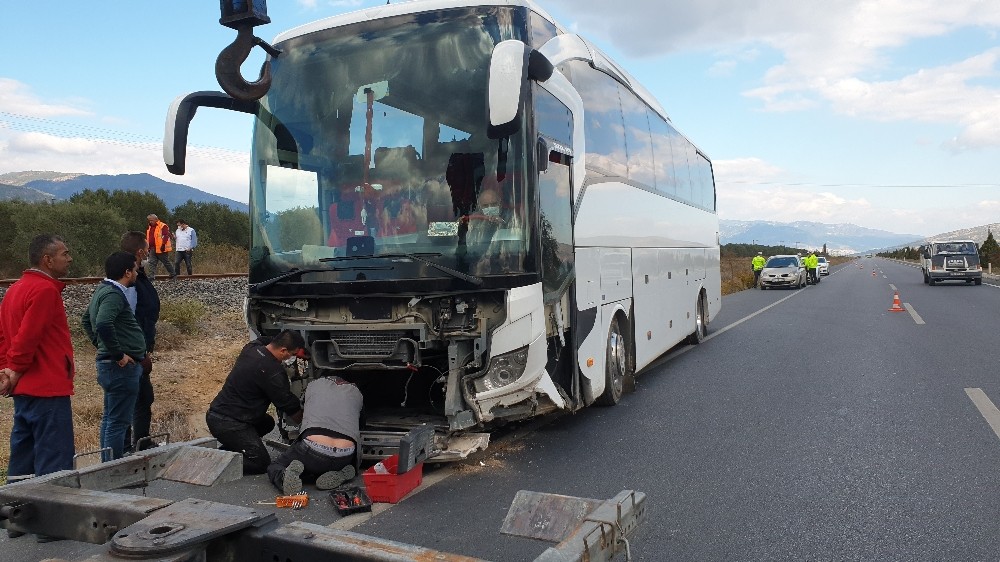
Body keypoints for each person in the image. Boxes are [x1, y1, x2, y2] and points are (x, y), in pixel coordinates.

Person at [0, 234, 76, 482]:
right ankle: (55, 516)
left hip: (24, 390)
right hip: (47, 388)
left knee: (23, 460)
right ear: (47, 260)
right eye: (64, 254)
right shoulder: (44, 290)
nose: (69, 258)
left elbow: (4, 336)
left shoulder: (14, 289)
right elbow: (27, 337)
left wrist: (5, 372)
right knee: (55, 464)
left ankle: (15, 513)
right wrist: (15, 369)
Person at [206, 330, 305, 474]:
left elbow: (265, 339)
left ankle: (233, 449)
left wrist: (295, 347)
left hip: (216, 414)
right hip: (229, 424)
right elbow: (290, 406)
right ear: (283, 350)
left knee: (267, 423)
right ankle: (213, 462)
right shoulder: (273, 372)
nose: (293, 357)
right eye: (293, 354)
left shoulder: (251, 348)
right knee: (260, 463)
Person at [82, 252, 147, 462]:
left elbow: (85, 320)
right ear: (127, 272)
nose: (137, 273)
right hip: (121, 368)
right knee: (119, 422)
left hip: (112, 365)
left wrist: (100, 345)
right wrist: (117, 353)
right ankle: (114, 470)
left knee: (110, 419)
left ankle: (106, 466)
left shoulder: (103, 290)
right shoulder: (113, 294)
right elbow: (102, 323)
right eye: (135, 269)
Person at [267, 375, 363, 495]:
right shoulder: (357, 393)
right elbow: (359, 424)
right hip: (345, 456)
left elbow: (302, 413)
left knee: (276, 465)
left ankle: (285, 477)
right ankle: (341, 473)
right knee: (324, 462)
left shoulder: (312, 386)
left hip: (313, 450)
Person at [120, 231, 160, 453]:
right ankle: (131, 445)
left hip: (139, 347)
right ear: (140, 251)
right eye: (146, 249)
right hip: (134, 350)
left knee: (142, 396)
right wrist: (137, 350)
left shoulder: (137, 274)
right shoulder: (129, 280)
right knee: (136, 398)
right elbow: (129, 317)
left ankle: (138, 442)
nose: (148, 252)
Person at [145, 214, 175, 280]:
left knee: (166, 262)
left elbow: (165, 236)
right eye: (149, 220)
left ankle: (173, 274)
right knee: (151, 262)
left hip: (161, 248)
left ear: (156, 219)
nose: (150, 222)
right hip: (152, 248)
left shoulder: (163, 226)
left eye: (151, 220)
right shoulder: (150, 227)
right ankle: (151, 276)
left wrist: (163, 245)